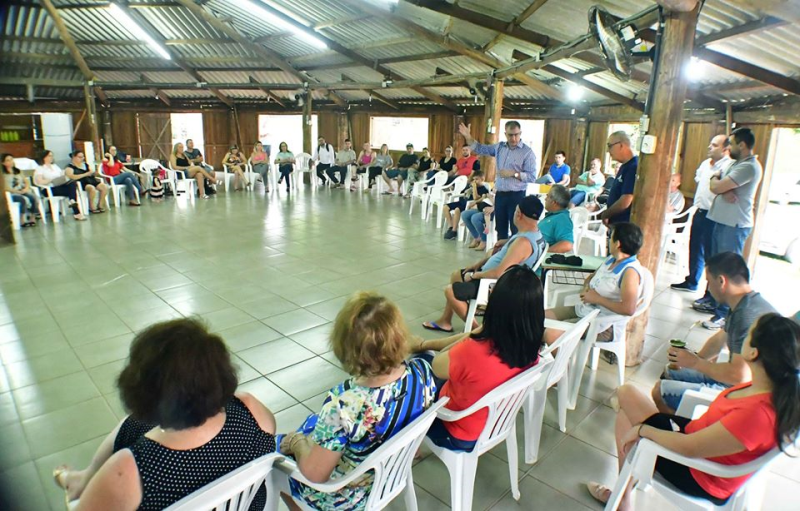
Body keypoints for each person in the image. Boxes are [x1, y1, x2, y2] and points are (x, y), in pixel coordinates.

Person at [51, 318, 277, 510]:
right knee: (131, 425)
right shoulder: (252, 410)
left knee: (131, 425)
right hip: (244, 503)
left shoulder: (128, 471)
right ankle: (83, 478)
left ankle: (82, 480)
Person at [588, 313, 800, 510]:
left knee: (627, 412)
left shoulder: (758, 414)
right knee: (626, 396)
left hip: (698, 473)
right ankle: (623, 494)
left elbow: (690, 449)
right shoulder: (766, 388)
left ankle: (622, 498)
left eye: (749, 333)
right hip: (695, 439)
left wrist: (643, 430)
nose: (743, 336)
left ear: (754, 353)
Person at [279, 292, 436, 511]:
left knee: (276, 457)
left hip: (347, 496)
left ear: (345, 347)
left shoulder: (343, 403)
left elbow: (316, 475)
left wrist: (296, 444)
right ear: (400, 336)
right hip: (393, 470)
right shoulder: (423, 372)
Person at [408, 265, 544, 451]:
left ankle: (402, 446)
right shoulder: (531, 347)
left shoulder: (475, 351)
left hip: (457, 430)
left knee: (417, 365)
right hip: (494, 422)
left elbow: (437, 366)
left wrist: (424, 346)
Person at [653, 252, 777, 414]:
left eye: (708, 282)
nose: (708, 288)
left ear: (721, 281)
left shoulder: (746, 316)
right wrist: (692, 359)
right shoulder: (745, 303)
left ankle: (687, 433)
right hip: (745, 383)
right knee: (671, 372)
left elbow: (739, 376)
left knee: (659, 392)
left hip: (752, 395)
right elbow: (719, 340)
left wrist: (696, 363)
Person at [423, 195, 546, 333]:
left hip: (496, 285)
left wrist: (475, 275)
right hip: (496, 277)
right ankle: (445, 321)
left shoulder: (523, 243)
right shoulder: (535, 234)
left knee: (450, 291)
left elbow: (499, 273)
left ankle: (480, 331)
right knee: (456, 275)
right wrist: (481, 262)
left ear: (519, 214)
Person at [693, 128, 763, 330]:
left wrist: (721, 186)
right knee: (716, 267)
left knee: (728, 272)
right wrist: (721, 185)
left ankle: (725, 315)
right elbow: (715, 180)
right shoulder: (735, 163)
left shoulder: (749, 167)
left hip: (733, 225)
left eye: (730, 144)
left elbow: (716, 186)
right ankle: (716, 304)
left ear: (742, 145)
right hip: (720, 221)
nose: (728, 148)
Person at [545, 222, 645, 343]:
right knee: (539, 318)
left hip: (603, 325)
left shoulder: (630, 272)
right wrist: (586, 289)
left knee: (552, 334)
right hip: (585, 310)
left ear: (617, 244)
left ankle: (564, 362)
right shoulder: (611, 260)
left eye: (611, 237)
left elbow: (628, 309)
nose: (608, 240)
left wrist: (597, 299)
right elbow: (591, 278)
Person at [671, 135, 732, 293]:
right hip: (700, 210)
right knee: (695, 247)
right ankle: (692, 281)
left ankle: (710, 291)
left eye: (714, 145)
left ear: (725, 149)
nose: (709, 147)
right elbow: (700, 181)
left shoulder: (728, 166)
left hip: (715, 215)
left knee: (711, 254)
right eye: (710, 144)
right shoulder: (705, 164)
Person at [458, 121, 537, 241]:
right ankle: (501, 254)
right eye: (510, 135)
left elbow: (532, 176)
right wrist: (468, 137)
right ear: (505, 134)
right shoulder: (499, 147)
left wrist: (514, 174)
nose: (514, 138)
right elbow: (480, 148)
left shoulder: (527, 152)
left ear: (520, 133)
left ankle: (515, 256)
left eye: (516, 134)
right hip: (500, 195)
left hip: (517, 195)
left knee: (516, 228)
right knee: (500, 228)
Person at [33, 150, 86, 220]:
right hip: (49, 189)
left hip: (59, 186)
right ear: (44, 157)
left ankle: (74, 205)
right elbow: (39, 182)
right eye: (49, 156)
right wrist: (51, 180)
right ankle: (75, 210)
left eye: (52, 156)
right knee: (72, 192)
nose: (51, 157)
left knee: (72, 183)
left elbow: (61, 174)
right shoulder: (40, 168)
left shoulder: (54, 166)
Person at [600, 131, 638, 226]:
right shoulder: (624, 166)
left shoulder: (633, 167)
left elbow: (626, 200)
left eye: (610, 146)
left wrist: (606, 214)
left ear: (621, 145)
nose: (608, 151)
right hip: (616, 222)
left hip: (624, 224)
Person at [443, 169, 490, 240]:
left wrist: (474, 187)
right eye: (474, 179)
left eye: (477, 179)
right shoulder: (470, 186)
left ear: (482, 179)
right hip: (461, 201)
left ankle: (454, 231)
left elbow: (475, 198)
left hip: (467, 204)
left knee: (457, 210)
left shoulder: (483, 189)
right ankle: (451, 226)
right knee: (445, 207)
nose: (475, 181)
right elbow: (463, 192)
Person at [3, 153, 41, 227]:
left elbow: (26, 181)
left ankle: (32, 217)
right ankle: (21, 219)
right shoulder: (3, 174)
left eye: (11, 159)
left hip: (21, 190)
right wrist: (16, 191)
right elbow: (5, 187)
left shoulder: (18, 171)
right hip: (11, 193)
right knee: (21, 199)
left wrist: (26, 188)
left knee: (33, 197)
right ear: (3, 163)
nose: (10, 162)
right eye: (8, 160)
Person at [65, 150, 108, 214]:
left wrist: (94, 172)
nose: (82, 159)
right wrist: (85, 174)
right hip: (82, 182)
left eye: (83, 157)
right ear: (74, 157)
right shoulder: (70, 167)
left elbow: (91, 173)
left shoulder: (85, 164)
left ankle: (100, 204)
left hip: (91, 180)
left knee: (104, 187)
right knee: (91, 188)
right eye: (80, 157)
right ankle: (91, 206)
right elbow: (72, 176)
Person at [539, 184, 575, 253]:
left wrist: (544, 255)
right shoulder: (554, 215)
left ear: (554, 202)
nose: (545, 199)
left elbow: (567, 244)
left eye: (548, 196)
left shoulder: (562, 219)